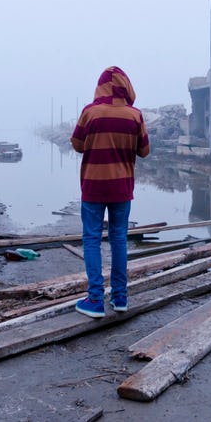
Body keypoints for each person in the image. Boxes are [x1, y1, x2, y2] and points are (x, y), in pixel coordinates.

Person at [70, 66, 150, 318]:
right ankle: (120, 297)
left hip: (93, 185)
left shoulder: (90, 112)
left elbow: (77, 145)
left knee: (92, 239)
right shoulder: (134, 115)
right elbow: (144, 151)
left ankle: (95, 299)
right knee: (118, 238)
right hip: (122, 187)